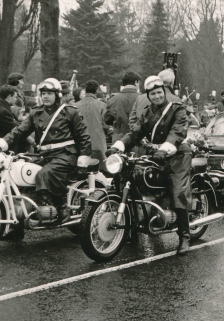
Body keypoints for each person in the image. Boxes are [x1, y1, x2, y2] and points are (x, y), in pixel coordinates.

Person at [0, 78, 93, 225]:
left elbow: (84, 138)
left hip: (66, 155)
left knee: (44, 173)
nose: (45, 96)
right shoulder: (36, 113)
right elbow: (19, 131)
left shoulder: (70, 112)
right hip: (45, 155)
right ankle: (19, 219)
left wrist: (83, 159)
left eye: (50, 93)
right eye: (43, 93)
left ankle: (61, 207)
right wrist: (2, 144)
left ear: (57, 95)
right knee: (21, 169)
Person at [112, 76, 192, 255]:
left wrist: (165, 149)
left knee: (177, 189)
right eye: (153, 94)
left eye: (159, 92)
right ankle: (133, 226)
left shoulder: (177, 108)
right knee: (133, 177)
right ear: (148, 96)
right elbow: (135, 133)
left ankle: (184, 236)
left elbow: (178, 131)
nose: (156, 96)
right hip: (156, 155)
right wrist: (119, 146)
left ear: (164, 92)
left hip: (178, 154)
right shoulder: (148, 113)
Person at [76, 80, 109, 160]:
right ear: (97, 90)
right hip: (98, 144)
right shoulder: (102, 106)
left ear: (85, 89)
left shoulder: (75, 106)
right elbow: (106, 125)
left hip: (80, 144)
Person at [105, 71, 140, 143]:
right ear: (136, 82)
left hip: (119, 137)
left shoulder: (112, 99)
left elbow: (107, 120)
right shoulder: (142, 98)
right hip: (138, 137)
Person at [0, 85, 21, 152]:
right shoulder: (4, 111)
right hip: (0, 149)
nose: (16, 99)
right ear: (9, 97)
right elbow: (16, 130)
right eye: (14, 97)